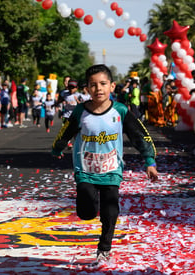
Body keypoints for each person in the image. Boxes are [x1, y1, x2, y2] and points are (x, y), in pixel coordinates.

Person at [51, 64, 158, 263]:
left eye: (103, 84)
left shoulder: (120, 110)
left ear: (112, 86)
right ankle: (90, 205)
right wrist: (57, 148)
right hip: (85, 169)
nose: (98, 88)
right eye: (93, 85)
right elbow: (66, 132)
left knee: (110, 209)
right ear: (87, 89)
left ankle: (104, 247)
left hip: (111, 169)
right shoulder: (80, 112)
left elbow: (140, 136)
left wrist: (149, 161)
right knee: (86, 213)